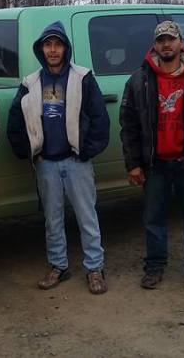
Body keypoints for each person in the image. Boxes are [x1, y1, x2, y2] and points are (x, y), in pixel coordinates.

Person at [120, 20, 184, 292]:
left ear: (181, 43)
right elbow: (128, 124)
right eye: (161, 40)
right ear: (154, 45)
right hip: (155, 165)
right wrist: (133, 164)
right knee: (153, 219)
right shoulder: (139, 80)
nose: (166, 45)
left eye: (171, 39)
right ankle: (154, 266)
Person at [7, 21, 111, 294]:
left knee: (87, 217)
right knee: (52, 219)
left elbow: (100, 117)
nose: (53, 50)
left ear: (66, 47)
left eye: (58, 44)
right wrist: (30, 152)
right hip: (47, 164)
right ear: (41, 49)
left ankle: (95, 268)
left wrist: (86, 151)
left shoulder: (82, 77)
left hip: (76, 162)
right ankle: (58, 266)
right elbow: (16, 120)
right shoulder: (31, 83)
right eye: (47, 45)